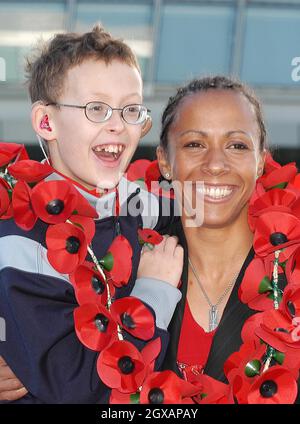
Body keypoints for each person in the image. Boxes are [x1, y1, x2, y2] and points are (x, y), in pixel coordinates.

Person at [0, 25, 183, 403]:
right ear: (46, 122)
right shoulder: (19, 242)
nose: (117, 124)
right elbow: (75, 388)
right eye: (95, 108)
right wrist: (154, 292)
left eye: (130, 109)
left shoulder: (150, 209)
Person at [137, 76, 300, 403]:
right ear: (165, 161)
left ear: (260, 161)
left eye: (237, 145)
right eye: (194, 144)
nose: (214, 165)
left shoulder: (292, 270)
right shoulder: (124, 268)